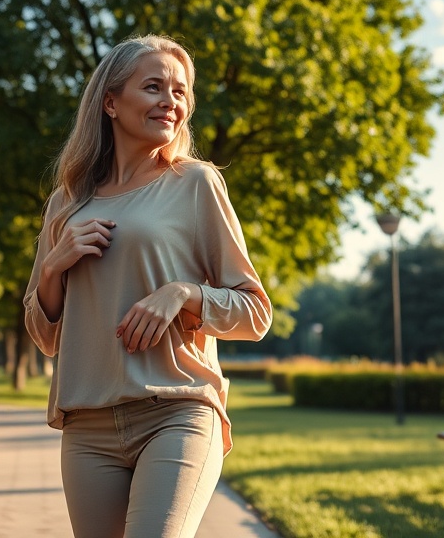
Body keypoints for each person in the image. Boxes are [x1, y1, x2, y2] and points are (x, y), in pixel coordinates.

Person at [23, 34, 272, 538]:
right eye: (154, 87)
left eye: (180, 92)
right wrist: (53, 266)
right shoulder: (66, 204)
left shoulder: (196, 183)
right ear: (110, 102)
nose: (170, 102)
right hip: (88, 426)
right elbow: (46, 334)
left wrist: (183, 293)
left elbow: (255, 312)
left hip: (177, 411)